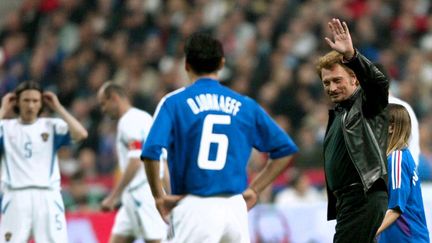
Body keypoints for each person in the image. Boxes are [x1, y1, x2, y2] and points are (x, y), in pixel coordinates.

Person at [141, 32, 298, 243]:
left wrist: (158, 196)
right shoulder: (245, 105)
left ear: (186, 64)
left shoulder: (174, 103)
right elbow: (285, 150)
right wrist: (255, 189)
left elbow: (151, 151)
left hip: (194, 206)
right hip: (235, 209)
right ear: (222, 63)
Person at [316, 18, 389, 242]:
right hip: (350, 201)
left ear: (355, 79)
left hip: (363, 196)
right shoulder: (340, 112)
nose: (332, 87)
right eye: (326, 83)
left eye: (337, 80)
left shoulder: (366, 105)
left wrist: (352, 57)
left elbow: (378, 84)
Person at [0, 81, 88, 242]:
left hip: (47, 195)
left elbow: (81, 134)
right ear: (17, 102)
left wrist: (58, 108)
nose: (31, 105)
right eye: (26, 100)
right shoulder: (5, 127)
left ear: (41, 104)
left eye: (35, 101)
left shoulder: (52, 126)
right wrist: (3, 109)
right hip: (16, 195)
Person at [97, 82, 166, 243]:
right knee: (118, 239)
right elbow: (162, 158)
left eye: (103, 104)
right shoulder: (144, 117)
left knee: (156, 240)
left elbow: (136, 160)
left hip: (141, 192)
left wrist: (113, 196)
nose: (103, 109)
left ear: (114, 97)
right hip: (136, 194)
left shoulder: (128, 121)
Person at [376, 104, 429, 243]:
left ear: (391, 127)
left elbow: (395, 208)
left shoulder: (396, 159)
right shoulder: (402, 156)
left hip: (407, 239)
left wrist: (369, 233)